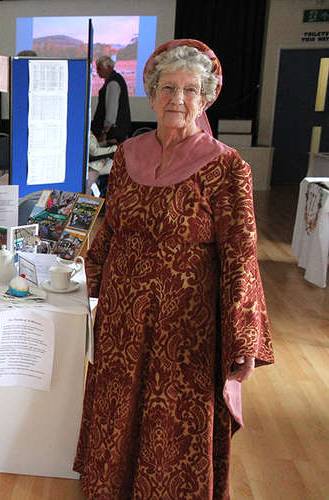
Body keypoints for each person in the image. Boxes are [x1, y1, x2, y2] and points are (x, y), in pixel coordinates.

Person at [74, 39, 274, 499]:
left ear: (204, 98)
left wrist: (244, 334)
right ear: (151, 93)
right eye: (167, 88)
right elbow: (110, 229)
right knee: (118, 403)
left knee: (174, 415)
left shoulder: (227, 167)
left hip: (186, 325)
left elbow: (241, 254)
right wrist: (85, 287)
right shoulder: (126, 154)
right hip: (122, 315)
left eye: (190, 90)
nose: (177, 99)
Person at [91, 55, 131, 143]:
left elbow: (111, 109)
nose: (97, 71)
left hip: (112, 134)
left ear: (109, 68)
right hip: (117, 131)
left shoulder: (112, 83)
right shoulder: (116, 79)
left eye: (99, 69)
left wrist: (104, 132)